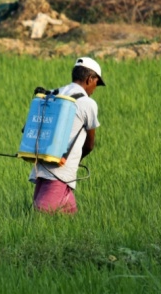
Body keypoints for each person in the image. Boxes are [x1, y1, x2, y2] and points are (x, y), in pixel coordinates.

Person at [28, 57, 105, 214]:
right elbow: (90, 144)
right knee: (41, 214)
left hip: (42, 164)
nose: (94, 89)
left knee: (68, 216)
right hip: (60, 172)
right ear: (90, 79)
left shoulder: (54, 94)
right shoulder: (87, 103)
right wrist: (76, 162)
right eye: (96, 83)